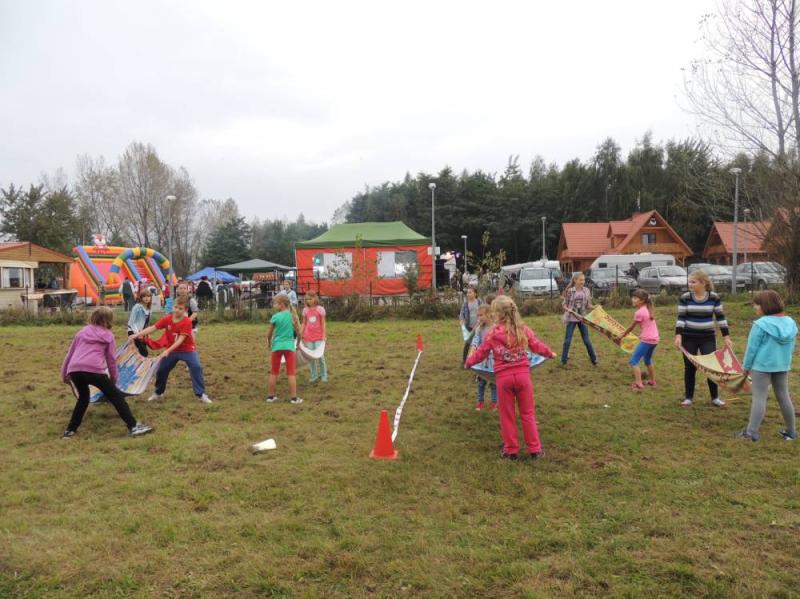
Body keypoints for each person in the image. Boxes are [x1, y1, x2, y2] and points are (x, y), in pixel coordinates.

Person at [465, 296, 557, 460]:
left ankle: (511, 451)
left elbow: (481, 352)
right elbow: (536, 344)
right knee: (528, 414)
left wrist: (468, 362)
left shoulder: (493, 333)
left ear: (498, 314)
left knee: (507, 415)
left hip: (503, 379)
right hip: (523, 377)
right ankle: (535, 450)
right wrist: (550, 353)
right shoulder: (523, 329)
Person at [60, 307, 152, 438]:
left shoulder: (81, 332)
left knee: (83, 399)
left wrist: (64, 375)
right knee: (116, 397)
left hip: (75, 370)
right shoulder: (108, 335)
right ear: (109, 320)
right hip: (95, 371)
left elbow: (70, 354)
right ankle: (133, 426)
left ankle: (70, 431)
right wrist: (113, 380)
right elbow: (111, 360)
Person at [736, 290, 797, 441]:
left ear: (764, 305)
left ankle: (751, 433)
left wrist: (746, 367)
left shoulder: (760, 324)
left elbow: (751, 349)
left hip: (761, 367)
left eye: (756, 305)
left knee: (759, 397)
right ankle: (791, 432)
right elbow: (792, 346)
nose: (754, 308)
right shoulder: (791, 322)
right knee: (784, 396)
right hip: (782, 366)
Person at [132, 296, 212, 404]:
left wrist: (167, 351)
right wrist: (136, 335)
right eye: (175, 307)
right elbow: (153, 328)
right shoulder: (167, 319)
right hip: (172, 351)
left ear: (185, 310)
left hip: (187, 350)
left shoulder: (187, 321)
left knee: (196, 367)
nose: (177, 310)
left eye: (180, 308)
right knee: (161, 370)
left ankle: (201, 394)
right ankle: (158, 393)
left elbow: (180, 340)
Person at [674, 270, 732, 407]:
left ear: (703, 283)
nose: (690, 284)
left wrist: (726, 337)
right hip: (689, 337)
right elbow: (681, 318)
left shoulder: (714, 297)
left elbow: (720, 318)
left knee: (711, 367)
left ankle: (715, 398)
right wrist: (678, 336)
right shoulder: (685, 297)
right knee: (689, 368)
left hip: (707, 338)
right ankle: (688, 397)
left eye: (693, 282)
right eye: (689, 281)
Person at [266, 294, 303, 404]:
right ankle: (294, 398)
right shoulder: (292, 316)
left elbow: (269, 334)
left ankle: (270, 397)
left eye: (275, 303)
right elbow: (299, 333)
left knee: (274, 372)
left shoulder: (275, 317)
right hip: (289, 348)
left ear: (281, 305)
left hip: (276, 347)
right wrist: (298, 344)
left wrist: (269, 343)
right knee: (291, 373)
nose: (274, 305)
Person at [622, 289, 659, 390]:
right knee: (647, 360)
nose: (632, 299)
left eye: (635, 298)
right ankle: (652, 381)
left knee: (634, 361)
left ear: (641, 301)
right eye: (632, 297)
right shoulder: (648, 308)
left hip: (647, 340)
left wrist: (622, 335)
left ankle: (638, 383)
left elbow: (631, 327)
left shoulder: (639, 313)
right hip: (655, 340)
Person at [560, 272, 598, 366]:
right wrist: (568, 309)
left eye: (583, 280)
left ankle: (594, 360)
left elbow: (588, 305)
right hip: (571, 318)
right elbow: (564, 304)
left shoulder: (586, 291)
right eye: (581, 280)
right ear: (575, 280)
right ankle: (563, 361)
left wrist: (595, 307)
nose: (583, 282)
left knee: (587, 341)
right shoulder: (570, 291)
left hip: (582, 319)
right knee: (567, 340)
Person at [468, 304, 498, 411]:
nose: (479, 318)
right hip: (482, 360)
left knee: (494, 382)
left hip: (494, 360)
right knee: (481, 382)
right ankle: (480, 401)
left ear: (489, 315)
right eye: (478, 316)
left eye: (481, 315)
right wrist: (471, 354)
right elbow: (475, 342)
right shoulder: (479, 329)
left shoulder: (496, 328)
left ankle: (495, 402)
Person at [300, 290, 328, 383]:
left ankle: (324, 375)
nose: (308, 301)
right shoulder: (305, 310)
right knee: (310, 357)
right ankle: (314, 375)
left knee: (320, 356)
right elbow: (304, 323)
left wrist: (324, 335)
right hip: (308, 337)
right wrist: (300, 334)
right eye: (307, 299)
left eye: (310, 298)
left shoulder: (320, 309)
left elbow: (323, 323)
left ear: (315, 298)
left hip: (319, 336)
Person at [127, 289, 153, 357]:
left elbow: (147, 323)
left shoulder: (149, 309)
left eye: (148, 296)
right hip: (134, 332)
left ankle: (140, 364)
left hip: (143, 332)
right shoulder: (137, 307)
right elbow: (131, 322)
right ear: (141, 298)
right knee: (144, 352)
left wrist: (147, 333)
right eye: (144, 296)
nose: (147, 298)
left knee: (141, 352)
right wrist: (137, 333)